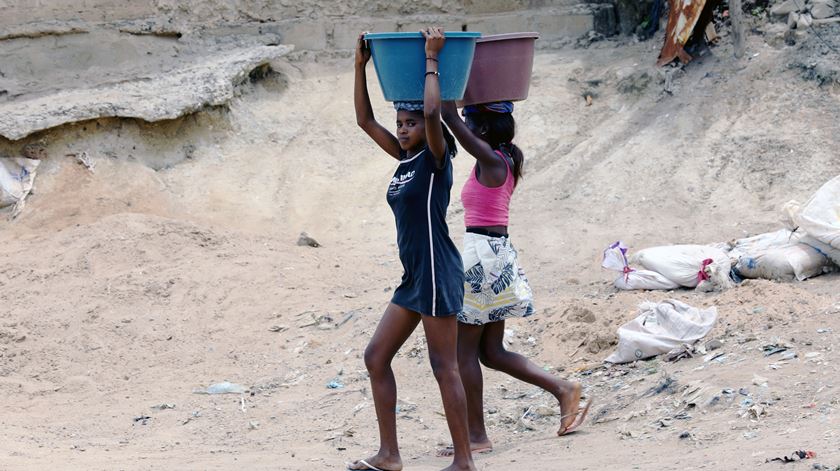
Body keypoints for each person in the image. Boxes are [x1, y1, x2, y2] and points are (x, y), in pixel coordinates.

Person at [348, 27, 476, 471]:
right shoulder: (404, 159)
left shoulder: (437, 158)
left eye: (411, 123)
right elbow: (365, 122)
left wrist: (430, 58)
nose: (403, 130)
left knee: (444, 366)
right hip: (414, 278)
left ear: (428, 127)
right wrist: (359, 67)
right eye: (401, 124)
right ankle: (389, 456)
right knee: (376, 357)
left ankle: (464, 462)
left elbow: (434, 109)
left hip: (438, 272)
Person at [436, 100, 592, 456]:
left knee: (464, 355)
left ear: (484, 131)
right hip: (494, 256)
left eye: (470, 123)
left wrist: (437, 65)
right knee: (490, 352)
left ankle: (476, 436)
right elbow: (451, 121)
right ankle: (563, 389)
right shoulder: (500, 161)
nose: (466, 127)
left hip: (483, 259)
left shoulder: (492, 161)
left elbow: (446, 115)